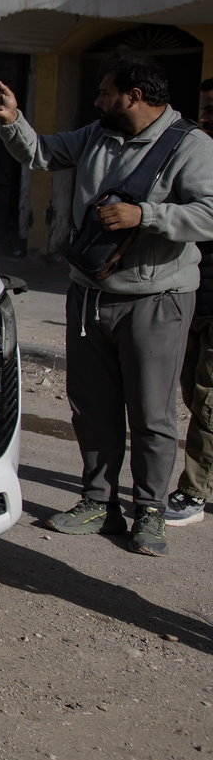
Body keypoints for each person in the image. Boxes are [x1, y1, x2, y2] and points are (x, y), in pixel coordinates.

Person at [0, 59, 213, 556]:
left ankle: (149, 511)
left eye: (105, 92)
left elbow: (209, 213)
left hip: (156, 299)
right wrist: (12, 121)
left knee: (152, 413)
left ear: (134, 96)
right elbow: (42, 153)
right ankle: (98, 502)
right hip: (89, 294)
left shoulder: (191, 145)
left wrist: (145, 215)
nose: (97, 101)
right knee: (91, 407)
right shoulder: (98, 134)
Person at [169, 75, 213, 526]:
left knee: (207, 399)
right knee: (191, 390)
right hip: (193, 295)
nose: (205, 118)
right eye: (204, 110)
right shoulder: (194, 156)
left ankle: (195, 492)